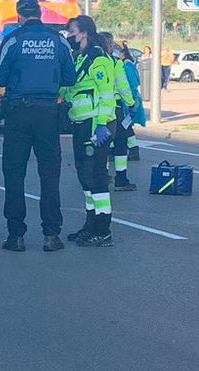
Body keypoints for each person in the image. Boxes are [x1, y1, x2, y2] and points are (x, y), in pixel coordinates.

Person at [0, 0, 75, 252]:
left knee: (14, 173)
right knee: (50, 175)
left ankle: (16, 235)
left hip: (18, 113)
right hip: (48, 113)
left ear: (19, 16)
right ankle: (51, 235)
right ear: (40, 14)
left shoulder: (13, 40)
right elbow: (70, 77)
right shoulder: (58, 39)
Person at [62, 15, 117, 247]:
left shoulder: (98, 59)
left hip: (96, 126)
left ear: (84, 32)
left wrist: (102, 124)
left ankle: (103, 230)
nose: (69, 36)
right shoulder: (80, 58)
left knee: (97, 179)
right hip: (81, 124)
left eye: (72, 31)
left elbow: (105, 94)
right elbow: (72, 90)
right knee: (85, 178)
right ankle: (90, 225)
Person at [101, 33, 139, 192]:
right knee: (120, 144)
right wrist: (131, 104)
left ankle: (102, 176)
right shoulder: (115, 63)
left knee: (102, 146)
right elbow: (123, 87)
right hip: (114, 109)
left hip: (94, 110)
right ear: (110, 45)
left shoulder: (88, 60)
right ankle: (121, 179)